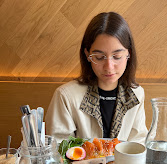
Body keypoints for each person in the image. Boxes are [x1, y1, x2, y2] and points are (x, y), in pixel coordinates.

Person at [45, 12, 148, 144]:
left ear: (129, 53)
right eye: (99, 57)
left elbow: (138, 144)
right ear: (88, 54)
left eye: (116, 56)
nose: (109, 67)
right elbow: (58, 148)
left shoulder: (136, 94)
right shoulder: (66, 96)